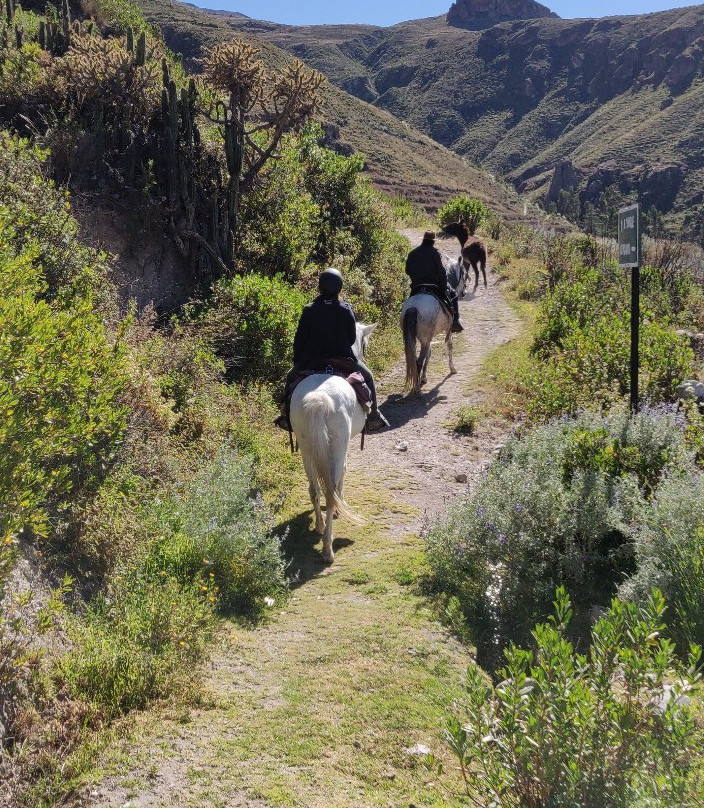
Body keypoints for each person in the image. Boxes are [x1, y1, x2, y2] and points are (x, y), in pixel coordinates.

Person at [275, 268, 389, 432]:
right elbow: (351, 338)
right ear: (339, 287)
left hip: (312, 360)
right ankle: (373, 417)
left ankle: (286, 418)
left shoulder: (309, 309)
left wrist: (298, 362)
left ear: (320, 287)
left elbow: (299, 340)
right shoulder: (345, 309)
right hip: (342, 360)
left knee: (289, 376)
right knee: (368, 376)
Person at [405, 231, 463, 333]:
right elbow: (441, 272)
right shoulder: (435, 253)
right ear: (433, 242)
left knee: (407, 303)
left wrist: (417, 277)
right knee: (453, 294)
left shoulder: (412, 253)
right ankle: (455, 322)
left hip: (417, 286)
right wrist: (444, 287)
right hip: (434, 285)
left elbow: (407, 270)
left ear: (423, 240)